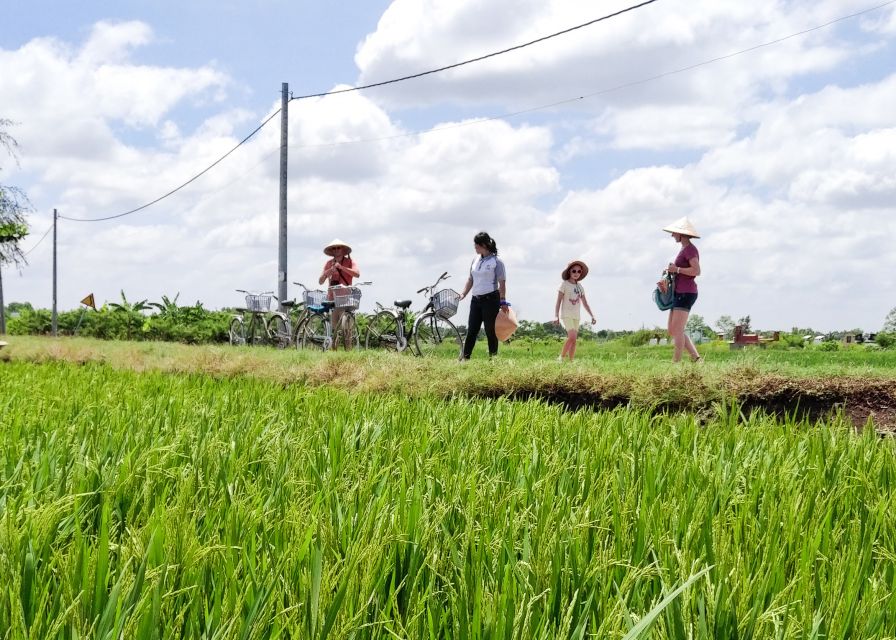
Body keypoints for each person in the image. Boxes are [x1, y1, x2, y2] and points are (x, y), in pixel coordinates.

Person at [458, 231, 508, 360]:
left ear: (484, 245)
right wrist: (463, 293)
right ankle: (465, 358)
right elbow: (471, 279)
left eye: (477, 244)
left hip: (490, 299)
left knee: (490, 331)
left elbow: (502, 282)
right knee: (472, 330)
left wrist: (502, 301)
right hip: (476, 300)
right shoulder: (475, 260)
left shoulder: (496, 262)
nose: (475, 247)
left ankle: (493, 359)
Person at [659, 217, 702, 363]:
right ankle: (696, 359)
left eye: (674, 233)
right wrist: (672, 272)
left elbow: (696, 270)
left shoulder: (690, 249)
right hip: (679, 292)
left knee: (677, 330)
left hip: (686, 292)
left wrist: (676, 269)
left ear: (681, 234)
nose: (672, 235)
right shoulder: (684, 249)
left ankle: (675, 363)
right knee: (672, 330)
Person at [319, 238, 360, 350]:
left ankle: (348, 352)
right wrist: (328, 272)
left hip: (346, 299)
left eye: (338, 247)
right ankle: (334, 352)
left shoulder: (350, 262)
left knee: (347, 330)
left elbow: (357, 274)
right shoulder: (328, 263)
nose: (336, 250)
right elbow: (320, 281)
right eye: (334, 248)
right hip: (332, 299)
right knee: (334, 329)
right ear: (332, 251)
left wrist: (342, 268)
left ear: (343, 250)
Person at [553, 260, 596, 362]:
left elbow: (585, 303)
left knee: (574, 340)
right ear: (569, 272)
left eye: (579, 271)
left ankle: (571, 361)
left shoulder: (580, 287)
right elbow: (558, 301)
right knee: (572, 337)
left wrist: (592, 316)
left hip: (576, 315)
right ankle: (561, 358)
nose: (576, 273)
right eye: (574, 271)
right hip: (566, 314)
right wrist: (556, 316)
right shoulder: (564, 284)